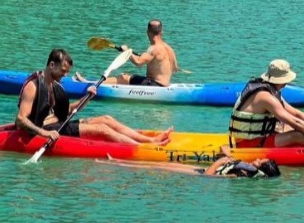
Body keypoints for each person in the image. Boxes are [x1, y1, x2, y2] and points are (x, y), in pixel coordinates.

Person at [16, 48, 173, 145]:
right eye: (63, 71)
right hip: (44, 130)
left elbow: (67, 111)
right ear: (52, 65)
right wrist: (45, 133)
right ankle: (143, 147)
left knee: (106, 119)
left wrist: (87, 97)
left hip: (59, 125)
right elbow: (21, 119)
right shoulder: (33, 86)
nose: (65, 75)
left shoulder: (55, 85)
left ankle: (149, 140)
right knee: (102, 130)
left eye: (67, 72)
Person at [228, 59, 304, 155]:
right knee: (297, 135)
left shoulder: (270, 90)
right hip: (247, 145)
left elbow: (296, 113)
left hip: (258, 137)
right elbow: (296, 122)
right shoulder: (266, 97)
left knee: (288, 127)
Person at [77, 20, 181, 87]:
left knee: (125, 77)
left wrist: (127, 52)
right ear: (161, 32)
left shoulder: (153, 49)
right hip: (165, 85)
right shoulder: (169, 49)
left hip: (155, 86)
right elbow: (175, 68)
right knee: (129, 77)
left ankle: (91, 84)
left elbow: (139, 62)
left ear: (147, 32)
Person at [97, 146, 281, 178]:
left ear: (261, 169)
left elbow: (209, 176)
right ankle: (117, 161)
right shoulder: (244, 168)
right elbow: (230, 160)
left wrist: (219, 162)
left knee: (155, 166)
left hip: (200, 173)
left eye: (260, 161)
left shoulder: (240, 174)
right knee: (161, 164)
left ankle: (113, 163)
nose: (257, 159)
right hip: (199, 169)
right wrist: (226, 153)